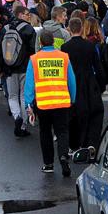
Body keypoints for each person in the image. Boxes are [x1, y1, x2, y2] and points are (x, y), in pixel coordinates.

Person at [24, 30, 77, 175]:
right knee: (62, 132)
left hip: (43, 103)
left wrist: (28, 103)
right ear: (53, 41)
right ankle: (63, 157)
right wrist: (72, 98)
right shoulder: (63, 57)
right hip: (62, 102)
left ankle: (48, 164)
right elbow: (71, 80)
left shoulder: (34, 59)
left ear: (40, 42)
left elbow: (29, 84)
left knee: (45, 133)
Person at [61, 17, 107, 156]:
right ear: (81, 28)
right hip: (89, 81)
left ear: (69, 29)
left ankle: (75, 143)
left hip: (72, 82)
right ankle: (91, 142)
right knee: (94, 112)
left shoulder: (65, 47)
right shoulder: (89, 46)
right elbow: (98, 67)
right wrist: (101, 84)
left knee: (73, 115)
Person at [0, 5, 38, 136]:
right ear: (20, 14)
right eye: (27, 14)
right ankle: (24, 126)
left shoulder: (5, 29)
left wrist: (0, 68)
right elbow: (33, 50)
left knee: (12, 96)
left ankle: (17, 117)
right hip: (25, 68)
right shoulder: (28, 29)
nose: (28, 16)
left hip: (9, 68)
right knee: (24, 95)